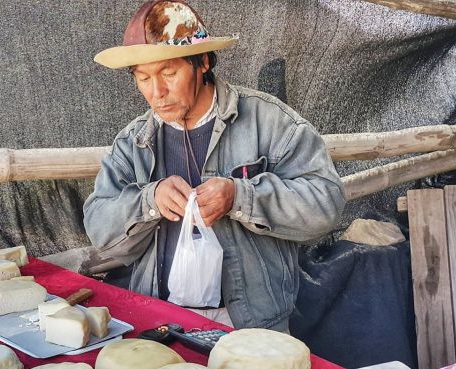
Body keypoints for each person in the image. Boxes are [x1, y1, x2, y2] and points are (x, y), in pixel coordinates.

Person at [84, 0, 344, 331]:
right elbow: (99, 228)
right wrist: (149, 201)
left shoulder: (269, 121)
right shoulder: (134, 141)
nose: (156, 92)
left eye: (169, 72)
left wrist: (240, 197)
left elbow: (326, 202)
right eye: (144, 78)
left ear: (203, 62)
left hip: (250, 322)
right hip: (161, 319)